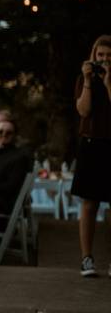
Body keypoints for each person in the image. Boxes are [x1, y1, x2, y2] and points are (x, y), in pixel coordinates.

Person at [71, 35, 111, 278]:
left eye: (109, 56)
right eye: (101, 55)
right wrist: (87, 80)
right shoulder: (84, 79)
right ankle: (87, 258)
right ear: (93, 56)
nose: (105, 60)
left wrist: (108, 81)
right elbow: (83, 111)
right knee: (89, 203)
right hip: (91, 143)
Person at [0, 117, 33, 218]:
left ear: (14, 135)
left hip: (1, 202)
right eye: (0, 131)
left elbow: (12, 186)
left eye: (9, 132)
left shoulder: (19, 157)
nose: (4, 135)